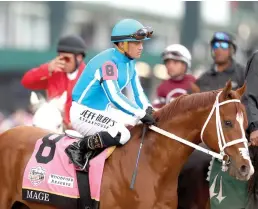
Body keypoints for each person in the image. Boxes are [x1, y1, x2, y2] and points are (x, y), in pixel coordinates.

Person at [65, 19, 156, 169]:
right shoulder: (108, 63)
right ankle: (79, 147)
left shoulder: (130, 62)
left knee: (137, 124)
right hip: (82, 113)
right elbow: (114, 96)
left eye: (142, 43)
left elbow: (137, 93)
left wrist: (149, 109)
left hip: (103, 111)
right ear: (122, 44)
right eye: (137, 43)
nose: (141, 47)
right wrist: (140, 113)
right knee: (123, 134)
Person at [21, 35, 87, 129]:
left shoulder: (90, 77)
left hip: (80, 130)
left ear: (79, 58)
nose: (63, 62)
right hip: (54, 127)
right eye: (60, 58)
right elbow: (26, 82)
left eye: (67, 59)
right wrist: (47, 68)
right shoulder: (53, 73)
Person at [152, 44, 196, 109]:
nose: (170, 66)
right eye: (167, 62)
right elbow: (155, 112)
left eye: (175, 62)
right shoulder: (162, 87)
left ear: (185, 64)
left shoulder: (196, 83)